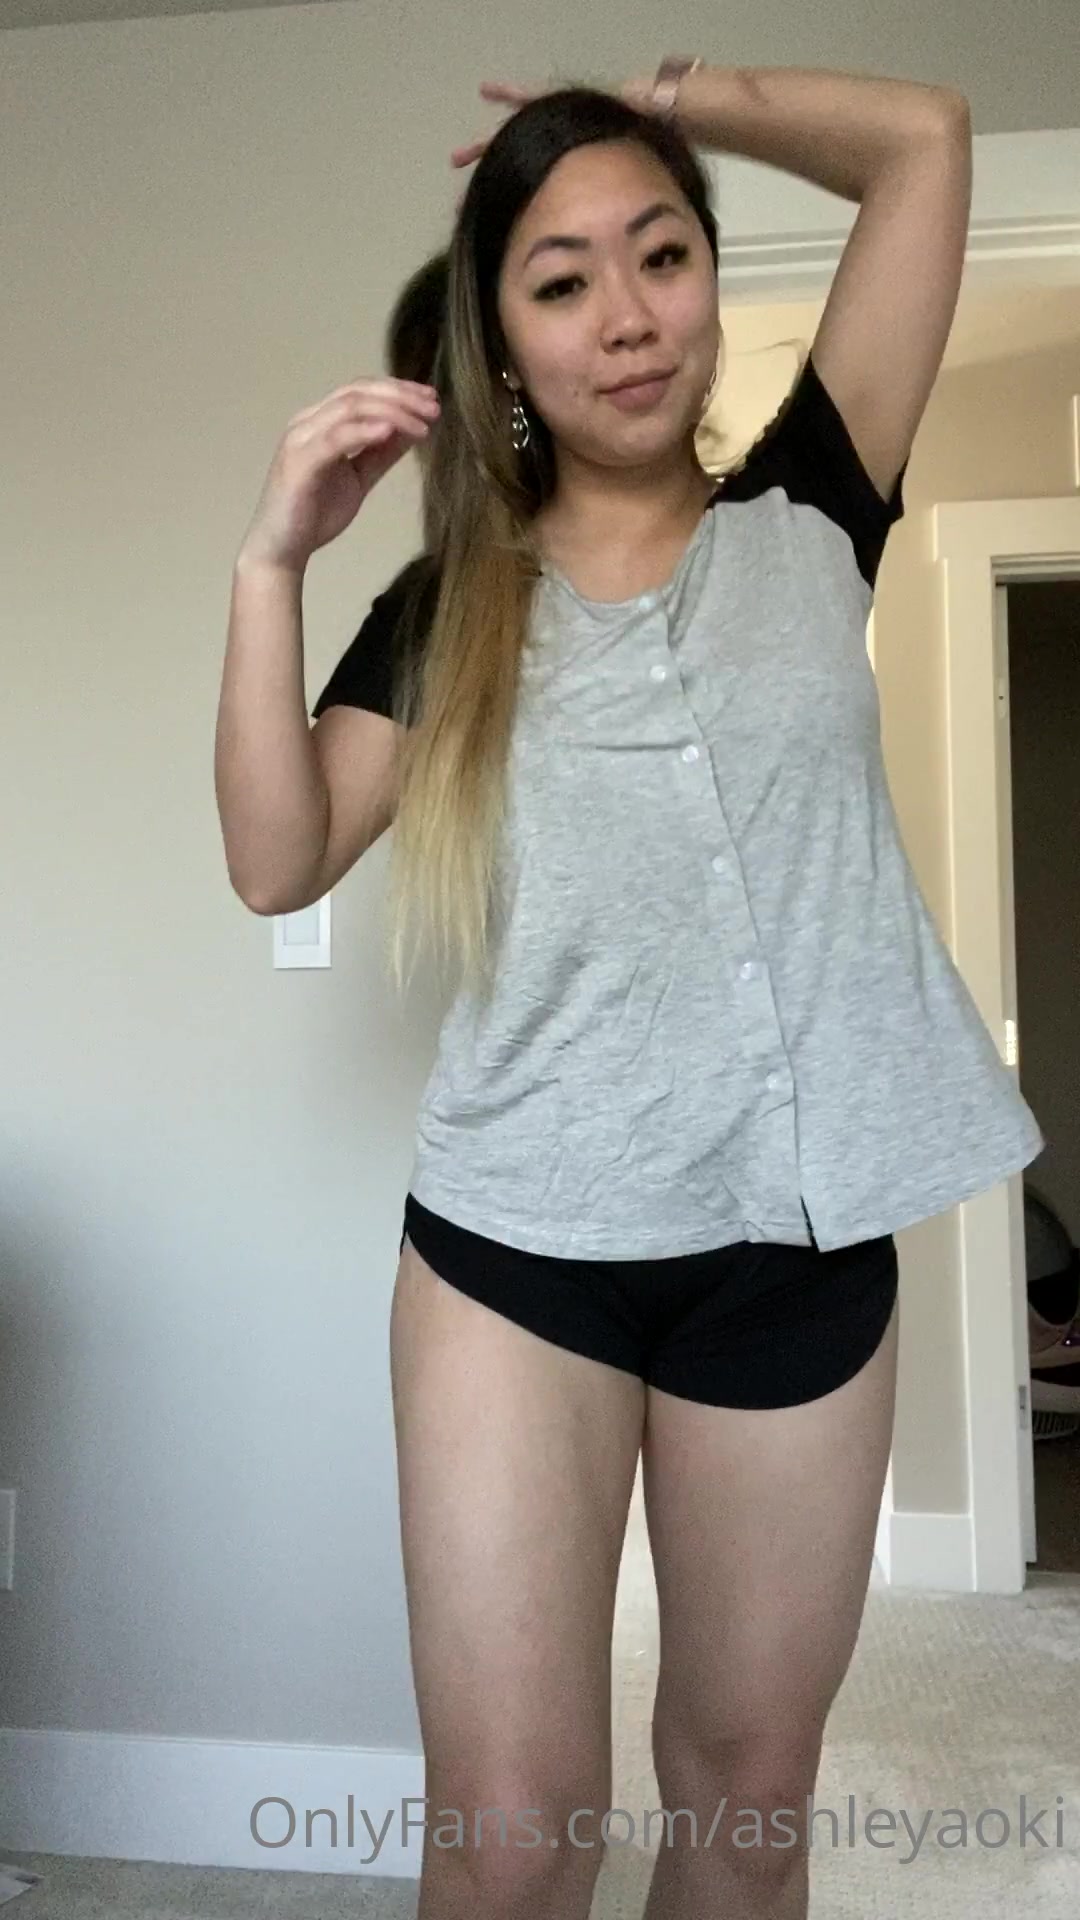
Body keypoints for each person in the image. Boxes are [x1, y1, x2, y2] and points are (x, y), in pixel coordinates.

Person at [215, 59, 1045, 1920]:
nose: (628, 313)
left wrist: (673, 98)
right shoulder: (449, 609)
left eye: (662, 253)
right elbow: (276, 856)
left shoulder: (815, 504)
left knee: (745, 1806)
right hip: (520, 1257)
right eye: (562, 279)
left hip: (795, 1245)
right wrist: (274, 560)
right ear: (501, 343)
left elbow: (922, 142)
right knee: (516, 1830)